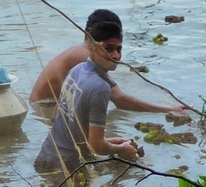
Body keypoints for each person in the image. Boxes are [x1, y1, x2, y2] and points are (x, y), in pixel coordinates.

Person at [29, 9, 185, 114]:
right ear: (91, 34)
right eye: (109, 46)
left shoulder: (82, 53)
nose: (116, 55)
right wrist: (169, 109)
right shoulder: (83, 56)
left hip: (46, 108)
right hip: (44, 109)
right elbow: (120, 99)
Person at [34, 19, 140, 173]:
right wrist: (120, 149)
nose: (116, 55)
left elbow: (54, 118)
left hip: (46, 157)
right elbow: (97, 147)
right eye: (108, 49)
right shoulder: (101, 88)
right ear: (92, 48)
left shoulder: (77, 69)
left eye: (119, 49)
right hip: (66, 167)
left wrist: (110, 141)